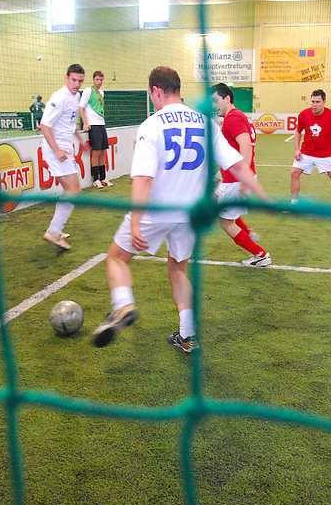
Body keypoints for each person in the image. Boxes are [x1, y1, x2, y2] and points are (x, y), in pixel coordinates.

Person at [91, 66, 269, 352]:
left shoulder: (151, 125)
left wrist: (136, 222)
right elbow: (236, 164)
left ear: (156, 91)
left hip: (157, 209)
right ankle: (188, 335)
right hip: (190, 213)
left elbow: (144, 179)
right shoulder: (205, 122)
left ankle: (123, 305)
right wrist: (262, 194)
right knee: (178, 270)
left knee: (117, 258)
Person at [210, 83, 271, 267]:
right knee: (216, 203)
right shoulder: (239, 116)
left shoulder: (233, 118)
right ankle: (248, 232)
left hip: (236, 180)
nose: (213, 105)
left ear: (227, 98)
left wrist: (245, 179)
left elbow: (245, 146)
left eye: (216, 100)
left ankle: (260, 255)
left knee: (225, 222)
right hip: (233, 177)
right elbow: (235, 150)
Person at [40, 63, 90, 251]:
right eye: (73, 80)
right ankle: (54, 231)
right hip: (56, 149)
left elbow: (70, 124)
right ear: (66, 78)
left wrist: (80, 141)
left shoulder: (75, 96)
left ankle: (55, 229)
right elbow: (45, 125)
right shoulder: (59, 97)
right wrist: (56, 151)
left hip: (65, 148)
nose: (77, 84)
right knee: (74, 192)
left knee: (72, 191)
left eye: (80, 81)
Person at [290, 89, 331, 209]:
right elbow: (298, 131)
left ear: (324, 102)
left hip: (326, 154)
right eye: (312, 102)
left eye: (318, 102)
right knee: (294, 173)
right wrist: (297, 149)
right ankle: (293, 204)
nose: (314, 105)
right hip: (307, 153)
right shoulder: (304, 114)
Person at [79, 70, 113, 188]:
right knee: (96, 152)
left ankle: (103, 177)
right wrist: (85, 123)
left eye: (101, 80)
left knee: (103, 151)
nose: (99, 82)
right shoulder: (88, 91)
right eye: (97, 79)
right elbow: (81, 107)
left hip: (101, 124)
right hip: (93, 125)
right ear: (93, 79)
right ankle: (96, 179)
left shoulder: (101, 93)